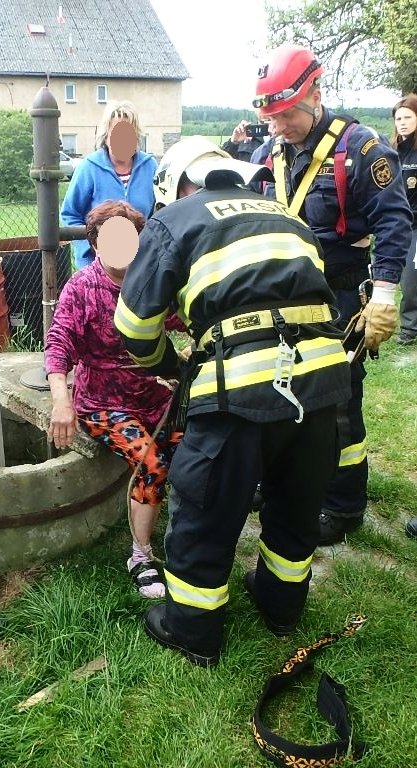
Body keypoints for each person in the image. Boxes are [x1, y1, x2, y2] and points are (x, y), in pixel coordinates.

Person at [114, 135, 352, 666]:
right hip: (322, 383)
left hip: (238, 390)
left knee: (205, 506)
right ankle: (280, 604)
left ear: (174, 184)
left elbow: (132, 325)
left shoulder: (174, 219)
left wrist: (168, 366)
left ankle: (192, 630)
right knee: (297, 499)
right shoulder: (286, 216)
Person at [252, 44, 411, 545]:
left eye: (285, 115)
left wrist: (384, 294)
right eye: (270, 117)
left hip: (340, 301)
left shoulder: (363, 151)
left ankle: (343, 505)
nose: (277, 127)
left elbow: (395, 221)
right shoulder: (272, 152)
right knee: (278, 391)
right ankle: (284, 478)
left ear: (316, 95)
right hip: (281, 299)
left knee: (338, 403)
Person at [45, 199, 185, 598]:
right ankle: (141, 556)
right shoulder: (83, 287)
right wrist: (61, 401)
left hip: (152, 393)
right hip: (102, 402)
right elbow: (58, 346)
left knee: (193, 444)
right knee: (152, 462)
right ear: (96, 242)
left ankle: (187, 535)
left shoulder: (150, 284)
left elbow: (184, 317)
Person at [60, 100, 157, 270]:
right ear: (105, 135)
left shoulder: (150, 167)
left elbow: (160, 214)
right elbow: (70, 214)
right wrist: (90, 249)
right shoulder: (89, 167)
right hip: (97, 266)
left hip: (140, 266)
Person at [391, 94, 417, 346]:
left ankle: (409, 327)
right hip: (398, 224)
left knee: (411, 279)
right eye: (399, 118)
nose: (402, 122)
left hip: (416, 225)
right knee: (397, 276)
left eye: (408, 117)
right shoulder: (393, 152)